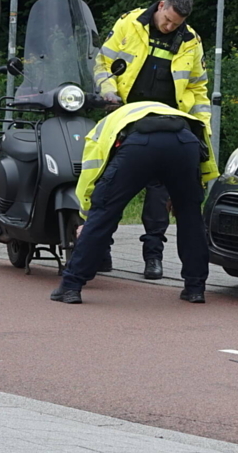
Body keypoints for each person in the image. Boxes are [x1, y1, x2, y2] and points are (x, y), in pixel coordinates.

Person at [93, 0, 211, 280]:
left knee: (159, 199)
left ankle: (153, 256)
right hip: (125, 120)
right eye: (168, 20)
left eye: (176, 24)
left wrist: (199, 127)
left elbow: (198, 89)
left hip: (167, 126)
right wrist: (109, 94)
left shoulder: (190, 41)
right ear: (161, 6)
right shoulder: (129, 24)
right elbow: (102, 64)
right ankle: (100, 250)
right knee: (108, 189)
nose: (170, 27)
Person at [50, 101, 219, 304]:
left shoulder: (103, 128)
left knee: (104, 213)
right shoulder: (171, 112)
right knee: (190, 218)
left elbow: (90, 176)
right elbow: (202, 154)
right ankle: (195, 288)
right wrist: (186, 196)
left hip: (139, 146)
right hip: (185, 142)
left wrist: (87, 216)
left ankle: (71, 287)